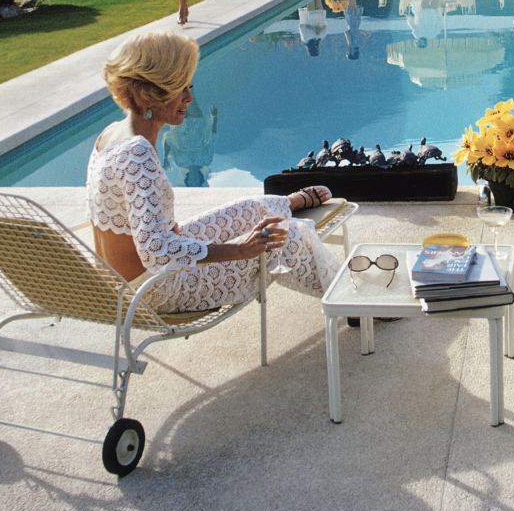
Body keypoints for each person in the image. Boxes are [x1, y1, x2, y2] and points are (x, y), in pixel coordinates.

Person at [86, 30, 338, 313]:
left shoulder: (110, 135)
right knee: (287, 237)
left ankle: (286, 202)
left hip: (127, 279)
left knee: (250, 208)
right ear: (154, 93)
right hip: (156, 289)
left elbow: (142, 230)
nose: (190, 99)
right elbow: (155, 250)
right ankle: (351, 301)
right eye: (181, 88)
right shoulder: (137, 152)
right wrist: (240, 250)